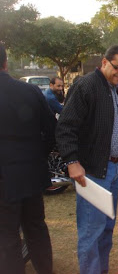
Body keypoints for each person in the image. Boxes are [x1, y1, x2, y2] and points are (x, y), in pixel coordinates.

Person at [56, 45, 118, 274]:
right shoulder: (87, 85)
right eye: (117, 67)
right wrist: (72, 161)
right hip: (93, 170)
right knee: (92, 232)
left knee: (107, 228)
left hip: (113, 169)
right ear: (104, 62)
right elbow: (65, 126)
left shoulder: (112, 88)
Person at [0, 43, 55, 274]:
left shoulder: (29, 91)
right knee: (36, 228)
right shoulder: (30, 91)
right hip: (31, 172)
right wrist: (37, 155)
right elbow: (52, 129)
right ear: (6, 63)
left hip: (5, 178)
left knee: (7, 235)